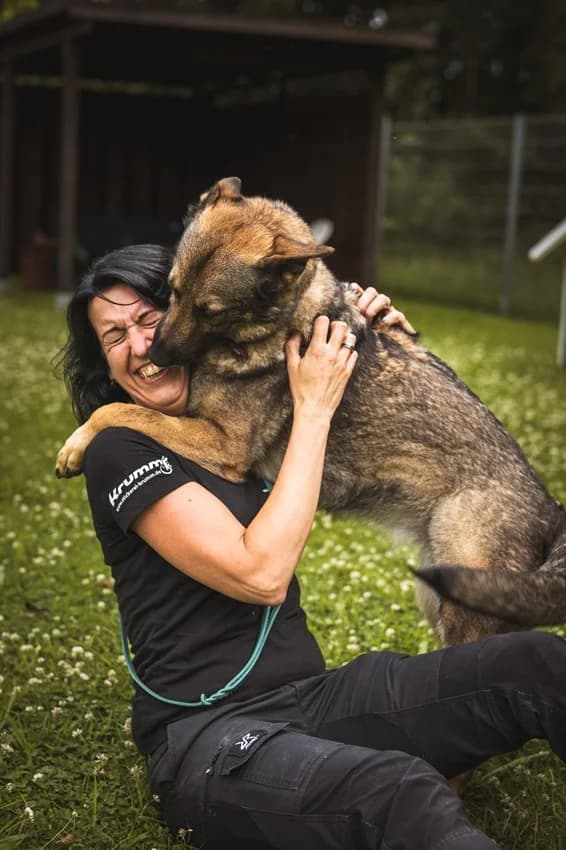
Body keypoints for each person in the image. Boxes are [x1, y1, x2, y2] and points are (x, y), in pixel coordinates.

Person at [58, 243, 566, 850]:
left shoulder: (242, 408)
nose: (143, 346)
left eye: (150, 320)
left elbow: (364, 435)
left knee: (535, 664)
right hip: (211, 736)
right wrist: (314, 407)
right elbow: (260, 573)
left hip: (315, 702)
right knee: (398, 790)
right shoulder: (120, 446)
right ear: (103, 363)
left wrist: (372, 350)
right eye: (115, 337)